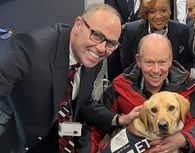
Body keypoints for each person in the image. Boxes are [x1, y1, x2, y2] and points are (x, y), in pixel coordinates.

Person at [0, 3, 140, 153]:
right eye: (97, 35)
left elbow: (83, 102)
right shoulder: (31, 48)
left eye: (111, 43)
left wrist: (119, 119)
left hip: (51, 140)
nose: (101, 48)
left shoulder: (93, 58)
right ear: (78, 24)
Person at [90, 33, 195, 153]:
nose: (156, 70)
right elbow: (95, 126)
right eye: (149, 62)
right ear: (138, 60)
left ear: (170, 60)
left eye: (162, 62)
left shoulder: (188, 87)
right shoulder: (120, 87)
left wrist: (184, 139)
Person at [120, 0, 192, 71]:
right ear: (146, 13)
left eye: (163, 10)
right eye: (152, 11)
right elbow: (127, 67)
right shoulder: (131, 31)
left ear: (170, 10)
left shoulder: (182, 31)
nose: (158, 16)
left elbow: (184, 67)